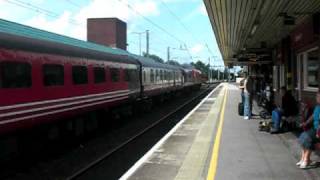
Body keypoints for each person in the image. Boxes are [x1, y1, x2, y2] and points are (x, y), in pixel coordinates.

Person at [297, 90, 320, 169]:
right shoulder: (317, 107)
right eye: (317, 96)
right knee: (302, 136)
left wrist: (318, 131)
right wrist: (305, 123)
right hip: (315, 128)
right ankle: (303, 158)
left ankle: (306, 160)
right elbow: (313, 116)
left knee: (308, 138)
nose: (316, 98)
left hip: (318, 130)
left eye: (318, 96)